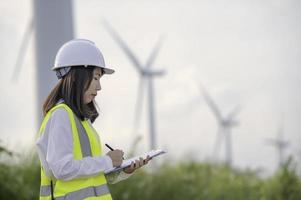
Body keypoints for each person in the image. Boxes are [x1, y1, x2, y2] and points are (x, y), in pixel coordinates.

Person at [36, 39, 151, 200]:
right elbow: (62, 168)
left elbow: (92, 176)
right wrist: (107, 161)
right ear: (76, 77)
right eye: (96, 77)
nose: (99, 87)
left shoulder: (80, 120)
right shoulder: (61, 115)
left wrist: (124, 170)